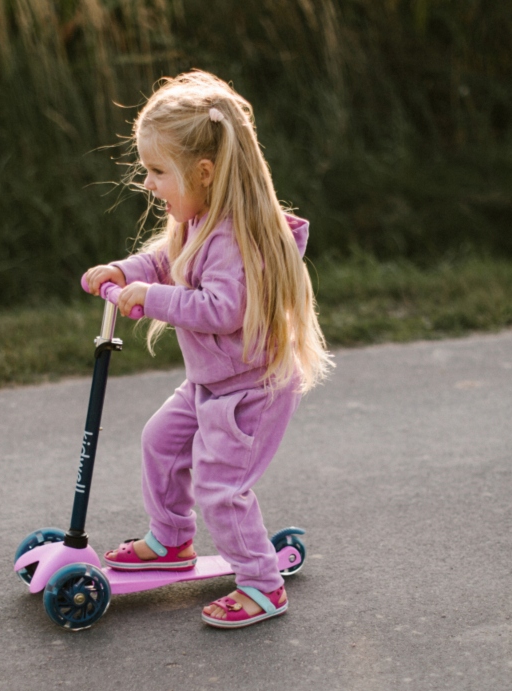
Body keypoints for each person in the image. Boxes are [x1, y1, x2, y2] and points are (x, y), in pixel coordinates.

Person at [82, 71, 332, 628]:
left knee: (222, 489)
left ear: (204, 172)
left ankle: (263, 585)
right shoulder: (197, 220)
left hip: (249, 391)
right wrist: (126, 271)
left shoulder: (236, 239)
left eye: (156, 172)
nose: (148, 184)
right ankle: (172, 540)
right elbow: (165, 259)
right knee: (160, 443)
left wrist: (153, 298)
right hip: (210, 383)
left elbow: (223, 308)